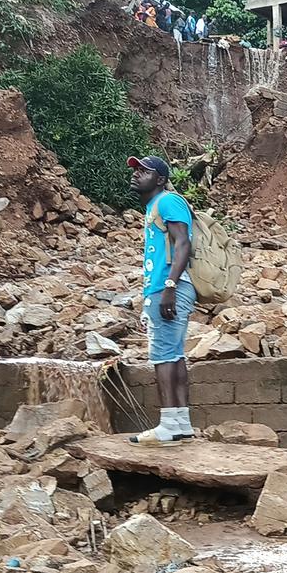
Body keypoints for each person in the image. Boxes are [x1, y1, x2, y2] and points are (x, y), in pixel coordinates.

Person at [126, 155, 196, 446]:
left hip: (171, 287)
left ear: (160, 179)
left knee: (162, 355)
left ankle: (167, 424)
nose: (136, 173)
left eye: (144, 170)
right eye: (135, 169)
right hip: (165, 288)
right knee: (174, 353)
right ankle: (181, 424)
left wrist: (169, 286)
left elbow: (183, 243)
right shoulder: (154, 206)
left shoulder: (168, 201)